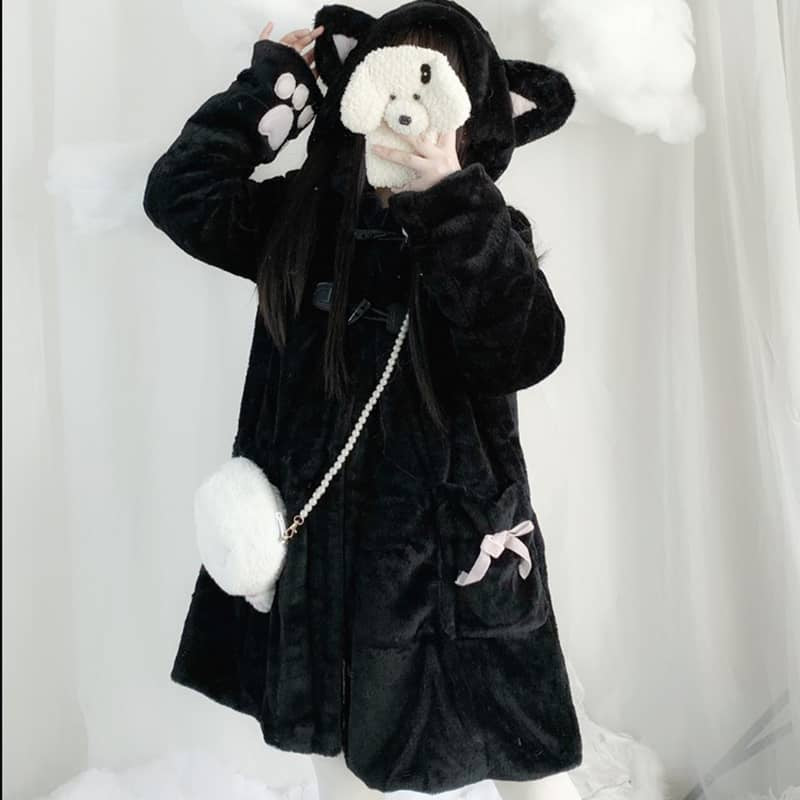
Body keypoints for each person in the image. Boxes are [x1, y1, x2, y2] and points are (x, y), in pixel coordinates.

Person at [143, 2, 581, 797]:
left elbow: (524, 349)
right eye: (385, 85)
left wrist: (450, 200)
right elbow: (181, 194)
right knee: (336, 754)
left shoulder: (484, 229)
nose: (403, 114)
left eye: (432, 90)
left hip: (447, 566)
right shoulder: (303, 221)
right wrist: (271, 93)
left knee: (516, 759)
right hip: (313, 552)